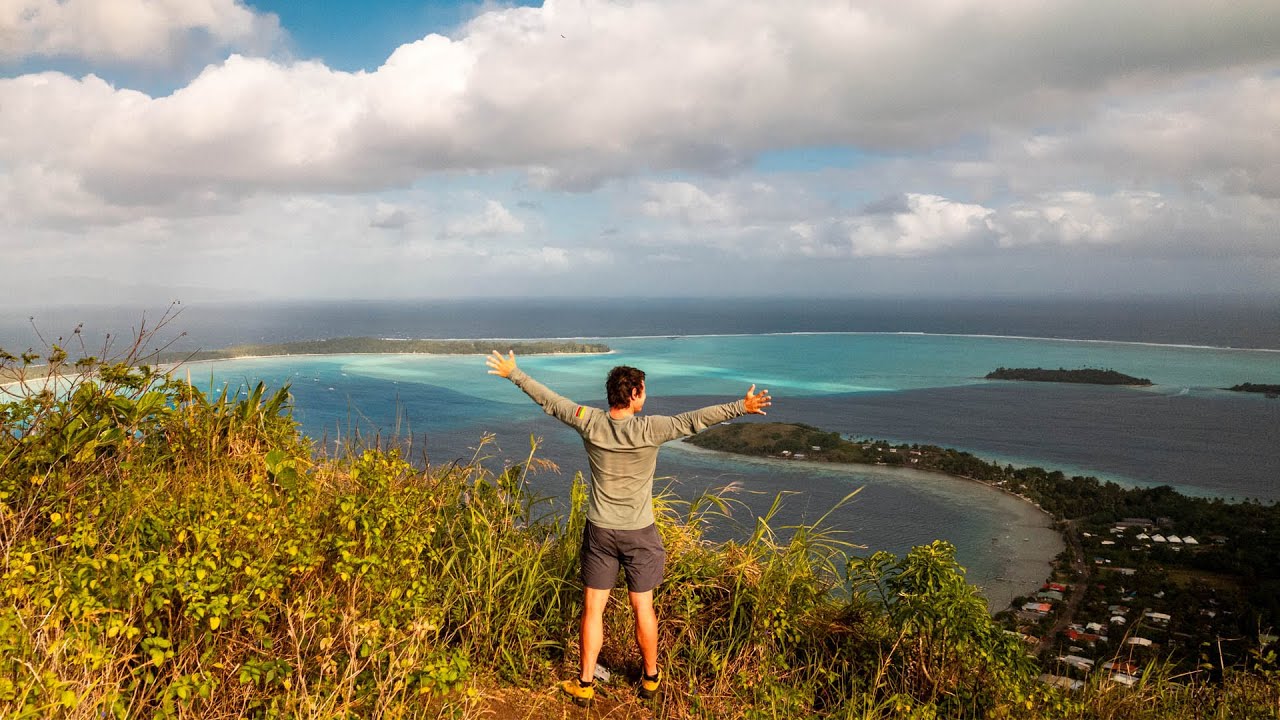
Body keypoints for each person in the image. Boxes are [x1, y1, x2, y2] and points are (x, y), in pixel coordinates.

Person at [485, 350, 772, 705]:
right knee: (643, 607)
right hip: (640, 533)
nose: (646, 396)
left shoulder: (588, 421)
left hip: (600, 531)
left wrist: (515, 373)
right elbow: (695, 420)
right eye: (644, 390)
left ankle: (585, 684)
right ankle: (650, 679)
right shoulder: (651, 428)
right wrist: (740, 407)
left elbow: (552, 402)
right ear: (634, 393)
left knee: (593, 609)